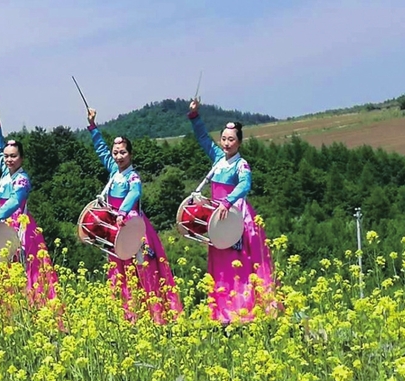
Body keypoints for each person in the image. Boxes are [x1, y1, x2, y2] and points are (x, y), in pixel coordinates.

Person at [86, 108, 182, 323]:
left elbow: (135, 194)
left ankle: (155, 315)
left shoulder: (133, 177)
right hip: (116, 228)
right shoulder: (114, 172)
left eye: (123, 152)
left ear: (130, 154)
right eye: (116, 152)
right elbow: (101, 150)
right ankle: (128, 315)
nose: (118, 156)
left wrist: (122, 212)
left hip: (134, 227)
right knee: (120, 270)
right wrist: (93, 126)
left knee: (142, 268)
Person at [187, 98, 278, 323]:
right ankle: (222, 312)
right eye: (224, 139)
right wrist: (195, 116)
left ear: (239, 143)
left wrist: (228, 201)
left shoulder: (241, 164)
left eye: (231, 140)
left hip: (236, 216)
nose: (226, 143)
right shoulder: (218, 160)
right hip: (219, 217)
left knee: (241, 265)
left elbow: (245, 185)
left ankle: (245, 310)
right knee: (221, 265)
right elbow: (202, 139)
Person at [0, 104, 60, 310]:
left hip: (21, 227)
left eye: (13, 156)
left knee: (29, 271)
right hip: (3, 224)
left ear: (22, 158)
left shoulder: (22, 180)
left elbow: (15, 202)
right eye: (7, 156)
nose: (9, 159)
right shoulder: (5, 174)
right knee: (7, 274)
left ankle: (36, 310)